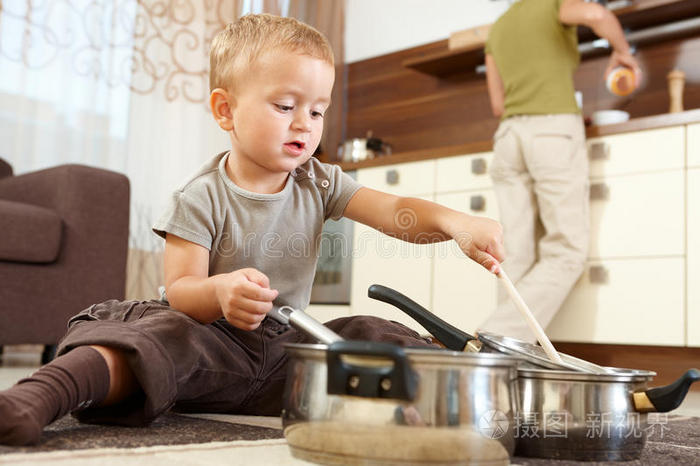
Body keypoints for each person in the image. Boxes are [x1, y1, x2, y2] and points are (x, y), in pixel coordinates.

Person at [0, 13, 505, 445]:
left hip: (285, 354)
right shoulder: (200, 196)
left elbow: (394, 209)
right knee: (155, 339)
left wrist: (452, 222)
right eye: (285, 107)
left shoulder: (319, 181)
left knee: (366, 332)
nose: (304, 123)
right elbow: (180, 292)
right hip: (207, 342)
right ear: (226, 110)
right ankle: (36, 398)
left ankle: (467, 403)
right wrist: (220, 292)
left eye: (317, 110)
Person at [478, 0, 641, 342]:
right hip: (552, 131)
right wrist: (623, 52)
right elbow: (597, 14)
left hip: (508, 137)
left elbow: (497, 104)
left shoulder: (500, 27)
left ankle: (506, 359)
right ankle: (493, 339)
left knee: (515, 254)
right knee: (565, 251)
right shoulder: (551, 4)